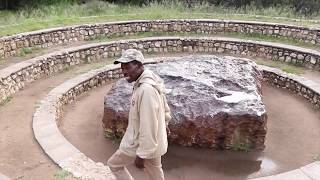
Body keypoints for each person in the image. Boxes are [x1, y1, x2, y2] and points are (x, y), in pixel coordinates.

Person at [107, 49, 171, 180]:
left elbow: (148, 126)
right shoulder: (151, 81)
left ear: (140, 65)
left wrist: (142, 155)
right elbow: (164, 107)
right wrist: (164, 123)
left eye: (127, 67)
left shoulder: (145, 90)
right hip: (155, 142)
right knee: (155, 174)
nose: (124, 72)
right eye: (122, 68)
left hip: (140, 144)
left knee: (114, 165)